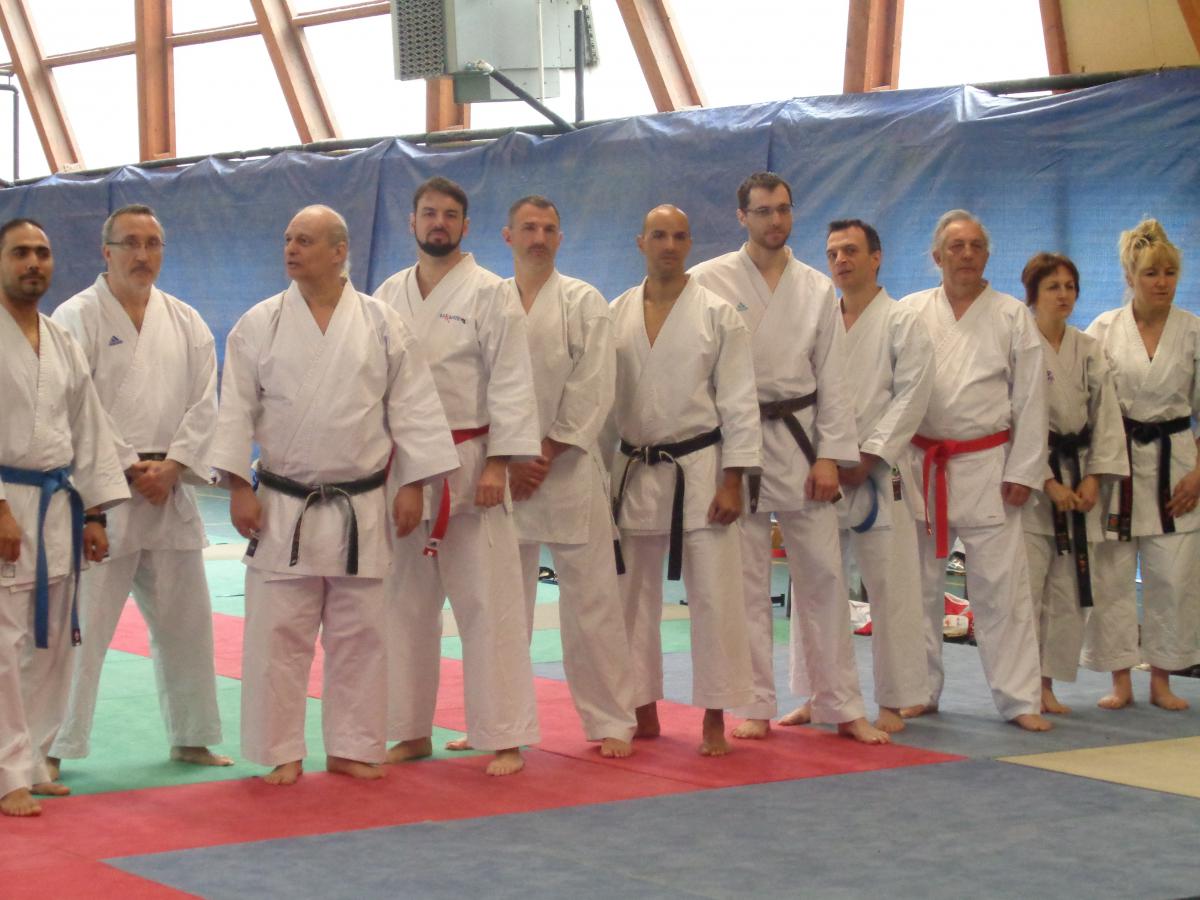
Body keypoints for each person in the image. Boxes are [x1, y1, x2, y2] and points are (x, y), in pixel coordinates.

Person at [211, 205, 457, 785]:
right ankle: (281, 749)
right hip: (282, 503)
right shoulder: (259, 323)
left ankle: (352, 745)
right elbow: (235, 409)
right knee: (278, 634)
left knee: (362, 634)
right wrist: (237, 486)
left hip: (361, 503)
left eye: (305, 240)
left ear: (339, 251)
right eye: (288, 239)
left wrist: (413, 485)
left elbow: (413, 407)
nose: (291, 249)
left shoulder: (381, 322)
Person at [690, 175, 887, 745]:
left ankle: (840, 703)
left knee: (824, 577)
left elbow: (835, 381)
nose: (775, 220)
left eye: (783, 209)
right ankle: (754, 702)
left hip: (801, 442)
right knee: (745, 583)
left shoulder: (816, 288)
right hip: (736, 446)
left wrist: (830, 457)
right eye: (763, 211)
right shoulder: (709, 280)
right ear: (741, 216)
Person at [49, 204, 229, 775]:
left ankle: (193, 736)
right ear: (106, 251)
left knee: (188, 624)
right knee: (82, 626)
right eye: (130, 243)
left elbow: (206, 402)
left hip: (170, 490)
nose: (143, 254)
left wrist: (174, 465)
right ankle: (53, 745)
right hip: (102, 495)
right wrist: (127, 464)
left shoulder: (186, 320)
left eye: (153, 243)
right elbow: (76, 403)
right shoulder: (75, 316)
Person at [374, 177, 542, 777]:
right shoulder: (388, 293)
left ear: (466, 227)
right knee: (403, 605)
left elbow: (512, 380)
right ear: (413, 222)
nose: (438, 223)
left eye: (449, 215)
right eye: (429, 213)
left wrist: (500, 461)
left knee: (488, 603)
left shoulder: (492, 292)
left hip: (471, 463)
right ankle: (408, 729)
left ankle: (504, 735)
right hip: (404, 470)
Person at [610, 203, 761, 756]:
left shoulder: (718, 314)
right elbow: (604, 405)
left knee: (715, 598)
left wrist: (733, 480)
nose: (669, 245)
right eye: (658, 235)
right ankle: (640, 707)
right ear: (640, 242)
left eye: (678, 236)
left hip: (700, 469)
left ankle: (715, 716)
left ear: (690, 243)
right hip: (633, 469)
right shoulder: (616, 313)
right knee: (630, 599)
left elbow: (740, 403)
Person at [899, 209, 1050, 731]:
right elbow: (891, 391)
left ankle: (1020, 699)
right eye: (956, 246)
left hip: (990, 465)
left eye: (976, 246)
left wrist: (1025, 470)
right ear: (936, 256)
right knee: (917, 587)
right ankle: (917, 690)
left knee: (1002, 591)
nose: (966, 254)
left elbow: (1031, 399)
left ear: (987, 255)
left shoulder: (1012, 315)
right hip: (922, 464)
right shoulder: (911, 311)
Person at [0, 219, 128, 816]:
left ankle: (32, 759)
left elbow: (88, 430)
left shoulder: (60, 341)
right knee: (5, 644)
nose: (34, 263)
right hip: (8, 502)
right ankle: (6, 773)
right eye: (20, 253)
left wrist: (94, 513)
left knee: (52, 642)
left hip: (57, 506)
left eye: (43, 253)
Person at [502, 195, 637, 758]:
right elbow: (476, 385)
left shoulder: (585, 302)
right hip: (505, 473)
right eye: (529, 228)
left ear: (561, 238)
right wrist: (510, 456)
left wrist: (546, 450)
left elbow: (595, 387)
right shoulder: (490, 301)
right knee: (503, 606)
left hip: (569, 467)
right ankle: (500, 722)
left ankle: (612, 719)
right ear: (508, 235)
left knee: (593, 605)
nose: (539, 237)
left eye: (549, 228)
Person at [823, 218, 934, 733]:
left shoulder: (903, 321)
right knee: (818, 586)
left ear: (876, 257)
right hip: (825, 470)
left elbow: (913, 395)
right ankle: (821, 694)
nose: (841, 260)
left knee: (892, 588)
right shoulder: (822, 319)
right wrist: (825, 456)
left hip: (879, 473)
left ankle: (895, 700)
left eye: (851, 250)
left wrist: (868, 455)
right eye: (833, 253)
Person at [1085, 219, 1200, 710]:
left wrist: (1199, 474)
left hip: (1177, 465)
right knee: (1111, 576)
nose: (1162, 282)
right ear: (1130, 276)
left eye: (1170, 272)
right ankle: (1120, 680)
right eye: (1151, 273)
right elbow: (1086, 404)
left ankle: (1162, 679)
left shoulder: (1194, 331)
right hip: (1117, 462)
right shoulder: (1103, 330)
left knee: (1173, 577)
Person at [1020, 253, 1127, 715]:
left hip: (1079, 475)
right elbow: (1011, 419)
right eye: (1053, 287)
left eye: (1070, 286)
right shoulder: (1019, 345)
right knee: (1027, 591)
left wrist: (1095, 477)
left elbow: (1107, 416)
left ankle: (1047, 685)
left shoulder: (1088, 348)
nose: (1063, 295)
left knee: (1067, 594)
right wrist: (1046, 481)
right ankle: (1024, 685)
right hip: (1030, 483)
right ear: (1033, 295)